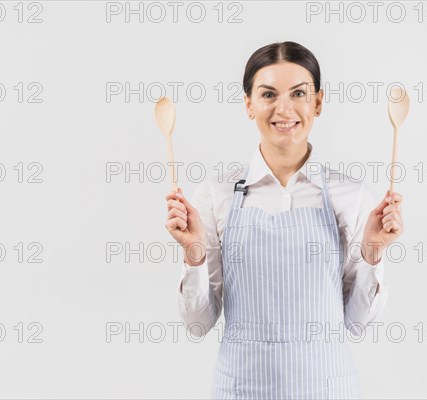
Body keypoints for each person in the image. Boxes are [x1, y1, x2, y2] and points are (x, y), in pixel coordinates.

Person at [164, 41, 404, 399]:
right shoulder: (216, 196)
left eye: (298, 93)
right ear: (248, 104)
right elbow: (198, 324)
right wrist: (194, 254)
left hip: (327, 389)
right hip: (241, 389)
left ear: (318, 102)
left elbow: (357, 322)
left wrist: (372, 252)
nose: (284, 108)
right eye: (268, 94)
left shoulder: (351, 197)